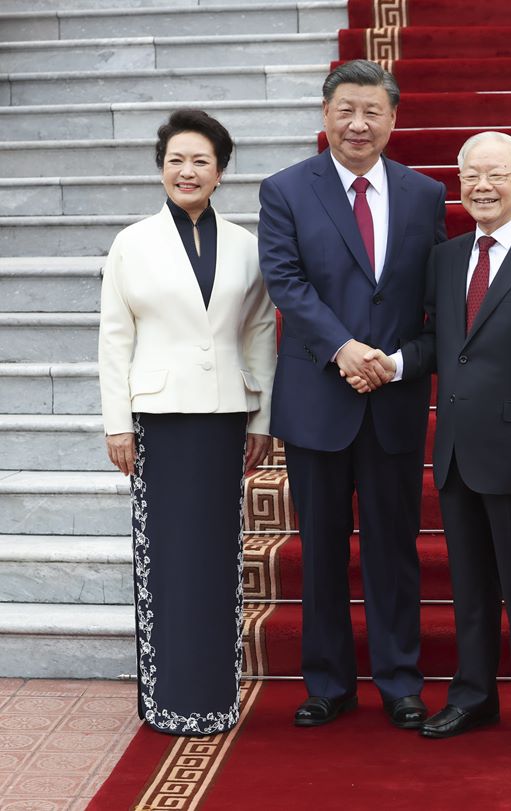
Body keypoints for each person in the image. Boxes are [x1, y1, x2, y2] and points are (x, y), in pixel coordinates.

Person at [353, 131, 511, 750]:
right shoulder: (448, 257)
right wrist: (395, 363)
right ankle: (474, 696)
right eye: (470, 177)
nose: (481, 187)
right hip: (457, 452)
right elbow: (441, 343)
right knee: (470, 588)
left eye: (495, 175)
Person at [257, 60, 446, 729]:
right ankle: (329, 682)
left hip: (394, 398)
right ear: (325, 114)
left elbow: (436, 300)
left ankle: (399, 680)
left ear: (393, 120)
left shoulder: (425, 195)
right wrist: (344, 349)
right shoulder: (285, 190)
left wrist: (393, 362)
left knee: (394, 548)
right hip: (318, 399)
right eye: (346, 109)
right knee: (323, 547)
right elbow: (286, 280)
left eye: (372, 111)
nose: (359, 123)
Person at [98, 108, 276, 735]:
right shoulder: (132, 243)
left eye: (201, 160)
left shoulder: (247, 246)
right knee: (166, 556)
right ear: (161, 169)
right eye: (176, 160)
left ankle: (213, 698)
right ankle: (167, 696)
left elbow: (257, 332)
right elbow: (115, 338)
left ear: (221, 172)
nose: (187, 170)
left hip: (225, 417)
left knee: (215, 556)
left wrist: (261, 419)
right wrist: (117, 423)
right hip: (157, 421)